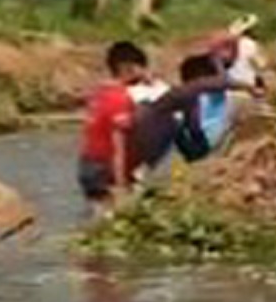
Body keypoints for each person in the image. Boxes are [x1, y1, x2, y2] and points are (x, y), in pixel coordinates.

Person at [129, 53, 265, 174]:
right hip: (196, 150)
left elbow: (216, 83)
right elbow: (214, 83)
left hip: (190, 152)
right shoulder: (214, 97)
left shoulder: (208, 97)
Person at [78, 41, 150, 216]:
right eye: (141, 68)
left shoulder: (99, 93)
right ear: (127, 68)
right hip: (106, 167)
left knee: (99, 215)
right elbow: (118, 144)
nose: (145, 74)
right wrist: (121, 184)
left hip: (87, 164)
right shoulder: (120, 99)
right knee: (118, 215)